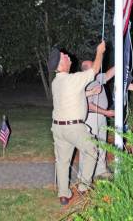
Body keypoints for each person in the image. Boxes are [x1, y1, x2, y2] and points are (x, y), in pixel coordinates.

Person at [48, 41, 106, 207]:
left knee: (62, 161)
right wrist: (100, 52)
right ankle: (84, 186)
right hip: (74, 128)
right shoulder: (73, 79)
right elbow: (94, 70)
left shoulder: (56, 82)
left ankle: (63, 194)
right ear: (61, 63)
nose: (68, 56)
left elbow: (70, 96)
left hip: (58, 128)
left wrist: (88, 93)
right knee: (92, 150)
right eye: (64, 56)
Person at [78, 62, 115, 180]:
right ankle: (84, 175)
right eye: (93, 65)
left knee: (102, 144)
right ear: (87, 70)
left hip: (101, 117)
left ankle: (100, 171)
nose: (97, 66)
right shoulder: (85, 82)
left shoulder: (98, 78)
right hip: (91, 118)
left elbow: (110, 74)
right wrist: (106, 112)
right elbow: (89, 105)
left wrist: (121, 59)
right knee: (89, 147)